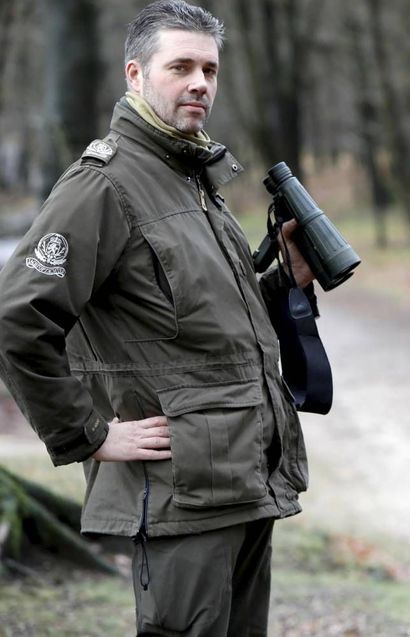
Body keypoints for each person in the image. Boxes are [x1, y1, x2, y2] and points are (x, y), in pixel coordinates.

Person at [0, 2, 316, 634]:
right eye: (181, 66)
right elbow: (15, 320)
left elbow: (204, 320)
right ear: (136, 74)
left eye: (209, 69)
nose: (199, 82)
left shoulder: (191, 177)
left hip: (242, 478)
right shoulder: (103, 185)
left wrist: (286, 280)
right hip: (178, 492)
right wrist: (87, 435)